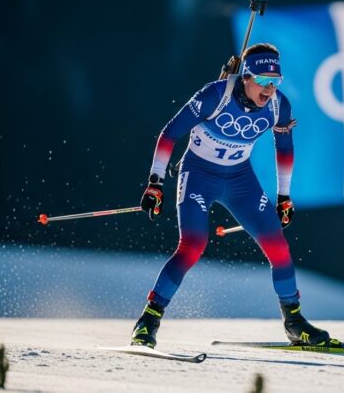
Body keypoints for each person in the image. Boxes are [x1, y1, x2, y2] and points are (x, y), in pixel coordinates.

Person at [131, 43, 332, 348]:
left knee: (278, 246)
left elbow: (285, 149)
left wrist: (284, 196)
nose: (270, 90)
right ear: (246, 77)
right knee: (193, 245)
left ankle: (294, 322)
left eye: (276, 82)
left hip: (240, 180)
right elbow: (170, 133)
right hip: (199, 176)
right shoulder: (215, 95)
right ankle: (148, 321)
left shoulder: (279, 106)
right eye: (263, 81)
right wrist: (155, 183)